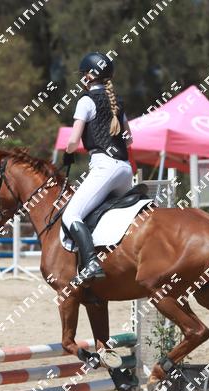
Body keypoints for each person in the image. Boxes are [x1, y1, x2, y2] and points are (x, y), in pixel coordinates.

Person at [62, 51, 134, 284]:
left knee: (71, 214)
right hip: (125, 169)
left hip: (105, 167)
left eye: (83, 74)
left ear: (89, 76)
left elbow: (73, 141)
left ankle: (91, 263)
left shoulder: (85, 101)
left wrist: (68, 153)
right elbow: (129, 140)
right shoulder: (117, 102)